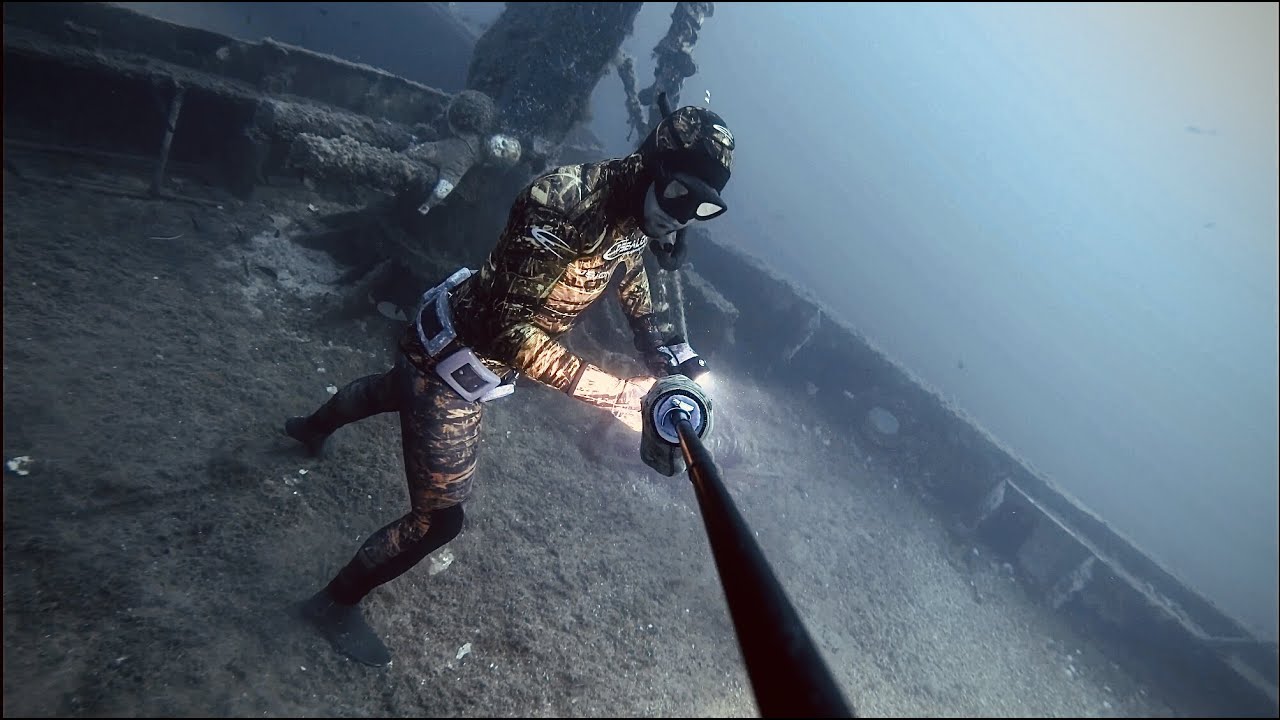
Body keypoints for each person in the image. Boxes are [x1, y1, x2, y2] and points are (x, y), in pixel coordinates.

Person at [284, 105, 736, 666]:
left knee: (390, 390)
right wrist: (621, 394)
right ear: (652, 166)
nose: (683, 217)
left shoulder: (636, 213)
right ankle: (332, 604)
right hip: (456, 361)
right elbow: (508, 331)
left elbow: (629, 273)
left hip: (443, 342)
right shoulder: (564, 203)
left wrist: (662, 352)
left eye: (704, 208)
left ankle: (308, 429)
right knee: (439, 521)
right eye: (679, 196)